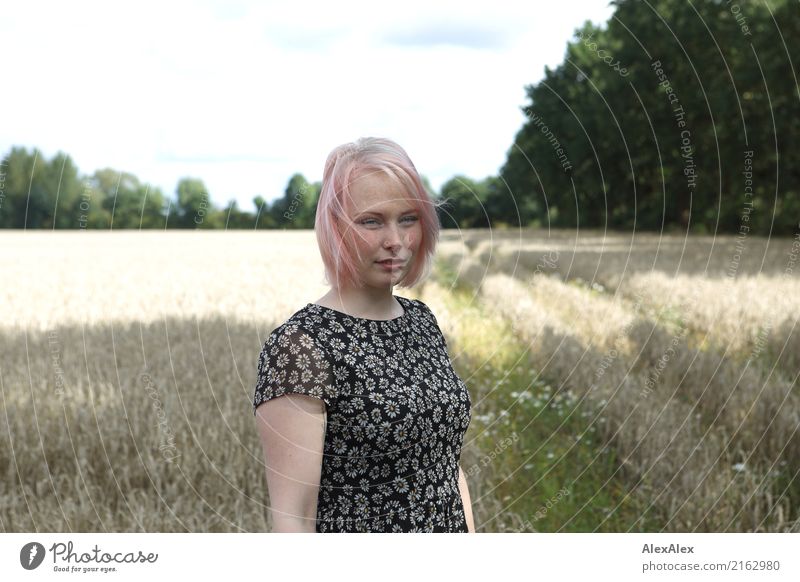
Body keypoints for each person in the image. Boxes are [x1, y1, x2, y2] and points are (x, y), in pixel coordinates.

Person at [252, 137, 474, 533]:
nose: (396, 240)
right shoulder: (301, 346)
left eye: (408, 218)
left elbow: (449, 467)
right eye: (372, 221)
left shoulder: (422, 321)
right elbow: (293, 518)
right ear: (333, 228)